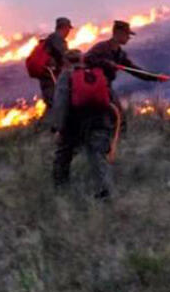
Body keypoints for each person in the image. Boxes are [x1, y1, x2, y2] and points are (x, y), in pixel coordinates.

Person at [49, 49, 118, 198]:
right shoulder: (96, 73)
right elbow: (110, 99)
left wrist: (58, 128)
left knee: (63, 156)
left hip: (73, 124)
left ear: (66, 62)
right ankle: (104, 192)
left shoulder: (66, 76)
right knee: (98, 157)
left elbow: (60, 104)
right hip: (100, 121)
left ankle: (61, 191)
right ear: (82, 59)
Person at [36, 17, 74, 107]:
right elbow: (65, 55)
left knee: (54, 101)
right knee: (54, 102)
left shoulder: (53, 38)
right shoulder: (57, 39)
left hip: (49, 76)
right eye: (68, 29)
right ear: (64, 27)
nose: (69, 32)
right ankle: (51, 120)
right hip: (50, 76)